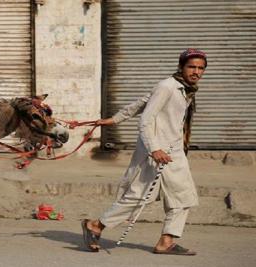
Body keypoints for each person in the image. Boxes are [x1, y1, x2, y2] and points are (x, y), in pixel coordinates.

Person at [82, 49, 207, 255]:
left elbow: (141, 102)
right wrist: (154, 148)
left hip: (174, 151)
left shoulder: (184, 89)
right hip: (157, 150)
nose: (196, 72)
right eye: (191, 66)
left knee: (183, 197)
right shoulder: (167, 86)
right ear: (181, 67)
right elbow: (146, 119)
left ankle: (166, 242)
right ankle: (96, 225)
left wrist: (114, 119)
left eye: (200, 68)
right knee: (140, 197)